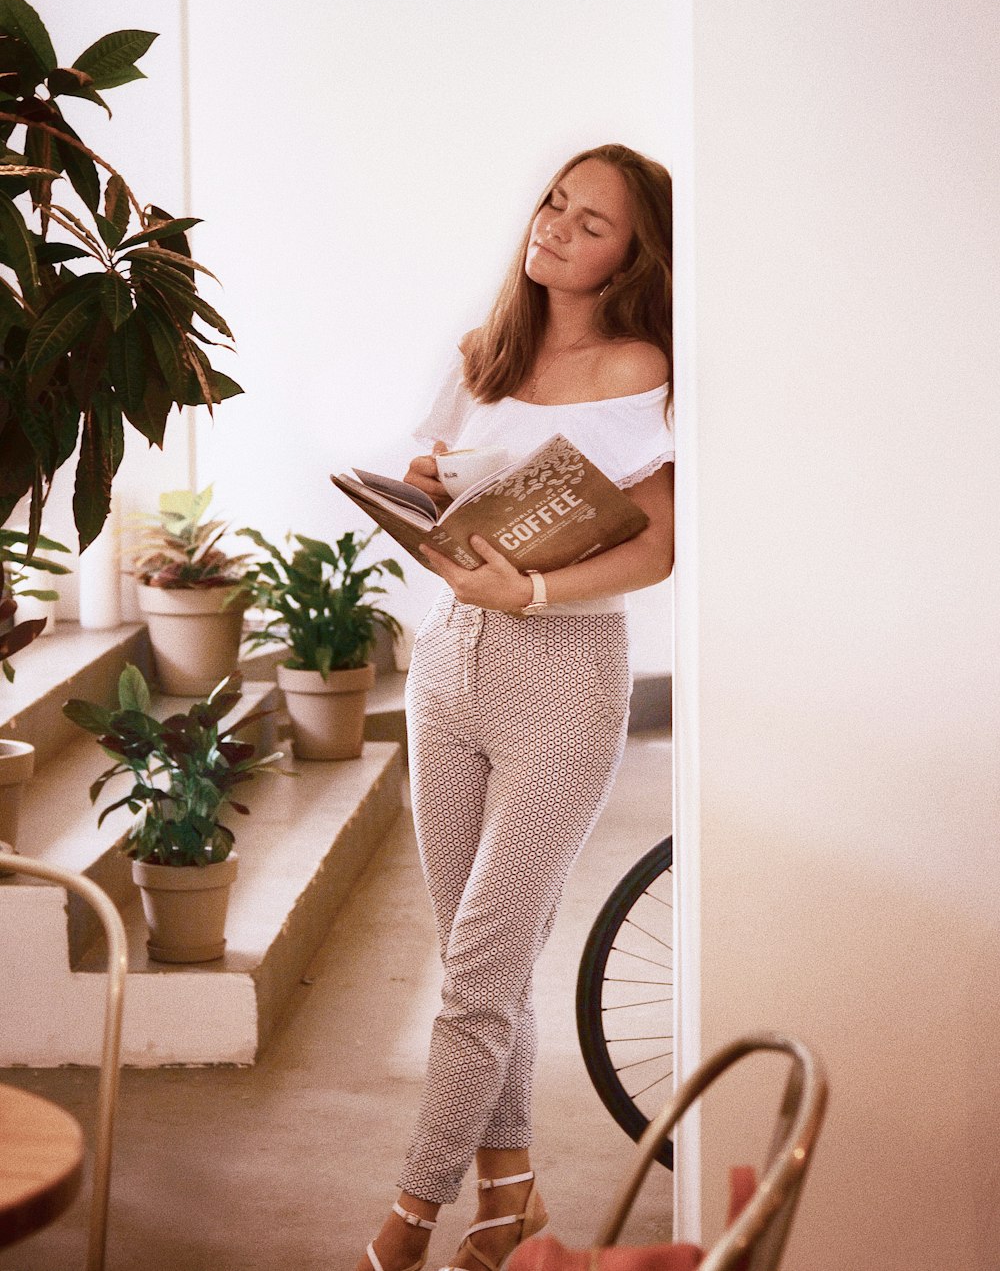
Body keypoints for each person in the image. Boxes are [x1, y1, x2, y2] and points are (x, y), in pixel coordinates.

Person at [357, 143, 675, 1271]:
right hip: (445, 666)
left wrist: (532, 585)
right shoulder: (482, 353)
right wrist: (433, 486)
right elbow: (432, 482)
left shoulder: (649, 367)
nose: (557, 227)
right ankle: (511, 1204)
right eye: (554, 202)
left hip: (566, 675)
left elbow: (661, 546)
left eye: (591, 223)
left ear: (632, 254)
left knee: (478, 974)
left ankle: (406, 1221)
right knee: (477, 961)